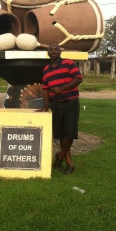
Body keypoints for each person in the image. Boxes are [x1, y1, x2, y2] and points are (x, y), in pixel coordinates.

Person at [40, 43, 82, 175]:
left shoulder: (68, 63)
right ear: (48, 53)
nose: (53, 51)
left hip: (70, 103)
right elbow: (45, 89)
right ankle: (70, 165)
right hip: (55, 105)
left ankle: (59, 158)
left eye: (56, 49)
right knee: (61, 135)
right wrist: (46, 107)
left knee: (69, 134)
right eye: (50, 50)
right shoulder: (46, 69)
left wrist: (62, 88)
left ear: (60, 52)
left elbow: (78, 79)